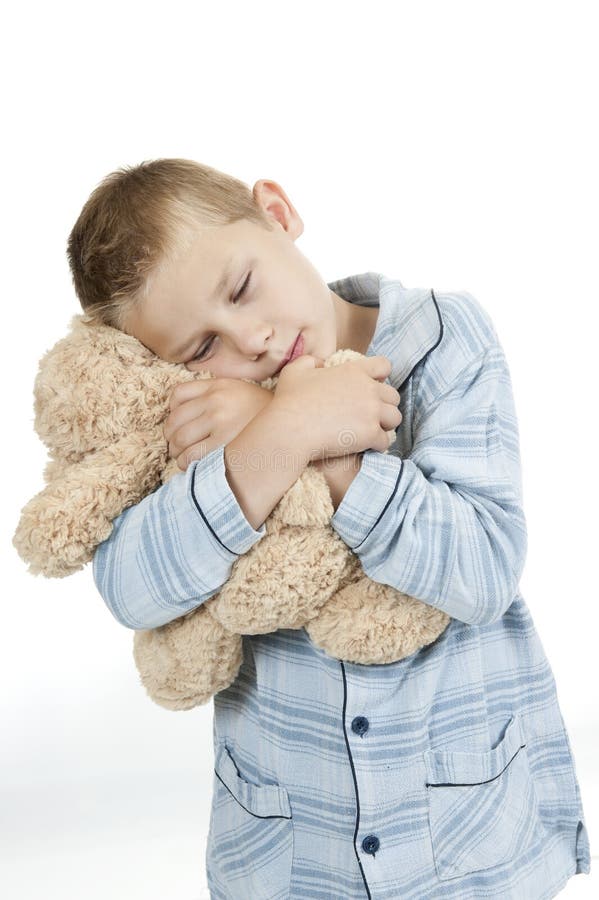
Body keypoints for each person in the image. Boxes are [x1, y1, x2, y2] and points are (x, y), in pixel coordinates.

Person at [67, 158, 591, 899]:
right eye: (200, 347)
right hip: (291, 854)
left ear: (276, 213)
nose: (248, 341)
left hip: (467, 837)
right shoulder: (194, 412)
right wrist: (272, 438)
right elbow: (132, 590)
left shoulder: (447, 339)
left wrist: (322, 442)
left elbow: (481, 568)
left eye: (242, 287)